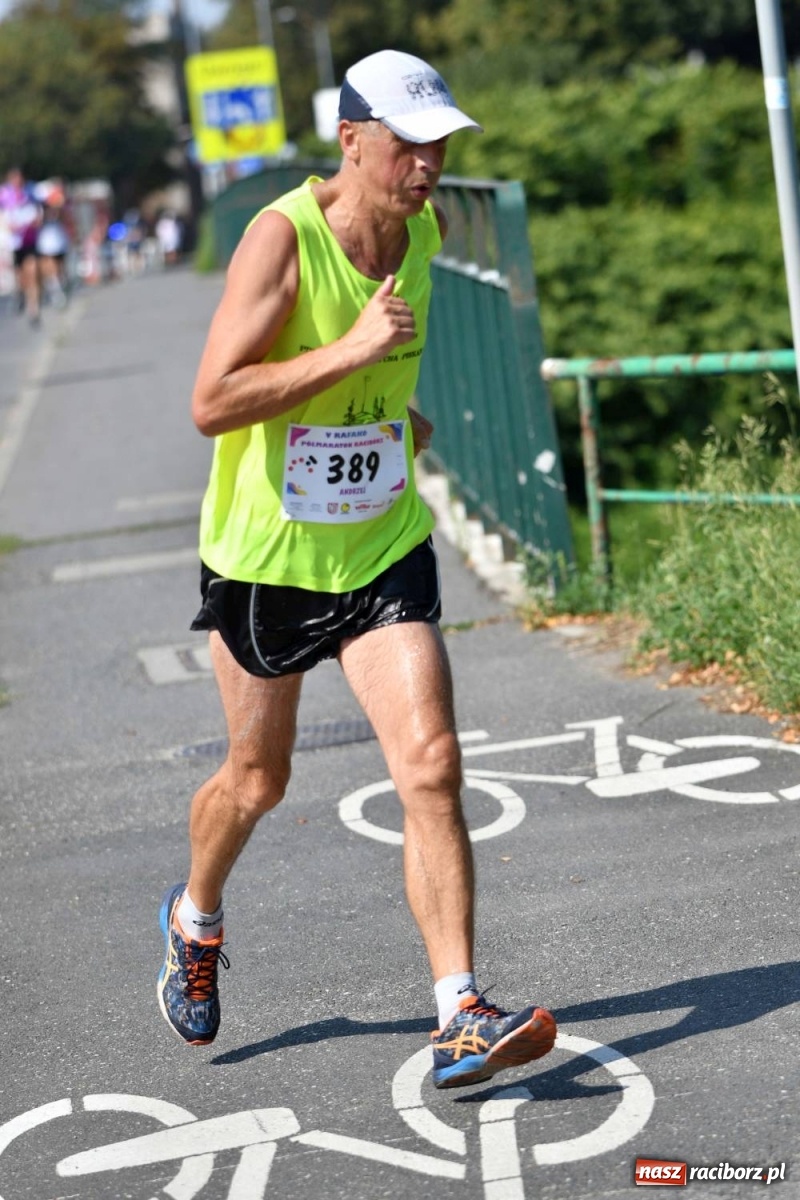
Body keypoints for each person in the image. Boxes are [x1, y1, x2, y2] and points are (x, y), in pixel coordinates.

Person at [157, 49, 557, 1089]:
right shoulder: (279, 239)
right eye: (405, 147)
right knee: (257, 780)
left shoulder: (421, 231)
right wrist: (345, 352)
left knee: (428, 762)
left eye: (437, 148)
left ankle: (459, 1010)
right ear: (350, 142)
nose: (425, 168)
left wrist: (394, 416)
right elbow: (211, 401)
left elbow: (387, 371)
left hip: (379, 542)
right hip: (268, 559)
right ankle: (194, 919)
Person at [0, 167, 42, 325]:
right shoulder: (4, 195)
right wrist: (6, 225)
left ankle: (34, 309)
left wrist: (36, 222)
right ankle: (20, 294)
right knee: (21, 277)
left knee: (33, 272)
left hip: (30, 241)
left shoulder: (30, 193)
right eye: (14, 178)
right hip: (13, 243)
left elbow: (39, 212)